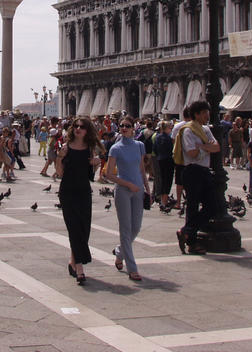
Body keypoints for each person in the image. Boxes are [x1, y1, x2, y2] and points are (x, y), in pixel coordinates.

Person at [55, 117, 101, 285]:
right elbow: (60, 173)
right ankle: (80, 268)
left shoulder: (89, 149)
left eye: (82, 127)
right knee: (74, 228)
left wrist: (96, 163)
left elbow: (90, 175)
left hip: (83, 192)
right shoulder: (66, 148)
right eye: (76, 126)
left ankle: (73, 262)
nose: (78, 129)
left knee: (84, 229)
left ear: (87, 130)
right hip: (67, 192)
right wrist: (59, 157)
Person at [106, 118, 148, 281]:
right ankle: (132, 268)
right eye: (121, 126)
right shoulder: (116, 148)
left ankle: (119, 251)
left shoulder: (139, 146)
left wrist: (147, 187)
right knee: (125, 228)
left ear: (133, 129)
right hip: (123, 190)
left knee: (136, 227)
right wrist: (127, 184)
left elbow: (142, 168)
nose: (123, 128)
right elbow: (109, 174)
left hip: (138, 190)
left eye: (127, 126)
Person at [176, 101, 220, 256]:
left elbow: (217, 147)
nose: (207, 115)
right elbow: (192, 153)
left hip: (204, 170)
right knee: (192, 207)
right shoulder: (188, 131)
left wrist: (201, 147)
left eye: (207, 112)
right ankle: (192, 243)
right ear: (196, 114)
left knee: (212, 207)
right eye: (204, 113)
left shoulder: (206, 129)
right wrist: (206, 147)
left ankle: (185, 231)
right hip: (192, 171)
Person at [153, 121, 174, 208]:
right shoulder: (168, 138)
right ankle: (164, 201)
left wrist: (159, 156)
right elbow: (171, 149)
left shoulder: (157, 137)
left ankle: (162, 200)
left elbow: (154, 149)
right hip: (168, 160)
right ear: (167, 128)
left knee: (161, 179)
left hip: (160, 159)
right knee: (167, 180)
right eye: (170, 128)